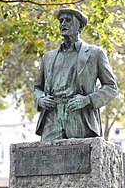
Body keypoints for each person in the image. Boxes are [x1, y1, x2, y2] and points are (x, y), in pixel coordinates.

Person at [34, 8, 118, 142]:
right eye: (61, 21)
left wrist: (87, 100)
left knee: (83, 159)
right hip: (51, 118)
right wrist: (40, 99)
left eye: (68, 20)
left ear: (79, 26)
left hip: (80, 116)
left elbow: (111, 87)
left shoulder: (95, 53)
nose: (62, 24)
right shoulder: (48, 57)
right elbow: (38, 87)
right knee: (46, 159)